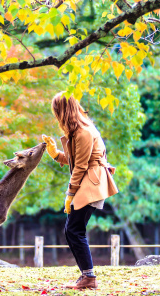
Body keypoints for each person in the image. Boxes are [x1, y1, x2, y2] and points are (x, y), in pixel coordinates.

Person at [42, 92, 119, 290]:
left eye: (56, 111)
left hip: (92, 182)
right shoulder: (77, 130)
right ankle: (86, 276)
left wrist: (70, 194)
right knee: (72, 230)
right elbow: (75, 159)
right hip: (88, 179)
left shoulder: (84, 131)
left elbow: (81, 166)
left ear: (63, 111)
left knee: (74, 230)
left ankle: (89, 277)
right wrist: (55, 154)